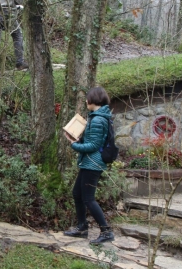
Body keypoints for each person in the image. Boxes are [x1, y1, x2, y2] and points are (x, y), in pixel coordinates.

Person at [63, 86, 115, 245]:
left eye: (88, 98)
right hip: (88, 163)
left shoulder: (98, 119)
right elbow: (91, 142)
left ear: (94, 100)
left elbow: (93, 145)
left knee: (88, 199)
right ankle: (82, 227)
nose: (86, 101)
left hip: (93, 164)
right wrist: (78, 140)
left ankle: (106, 231)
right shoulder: (97, 117)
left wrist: (73, 144)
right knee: (77, 194)